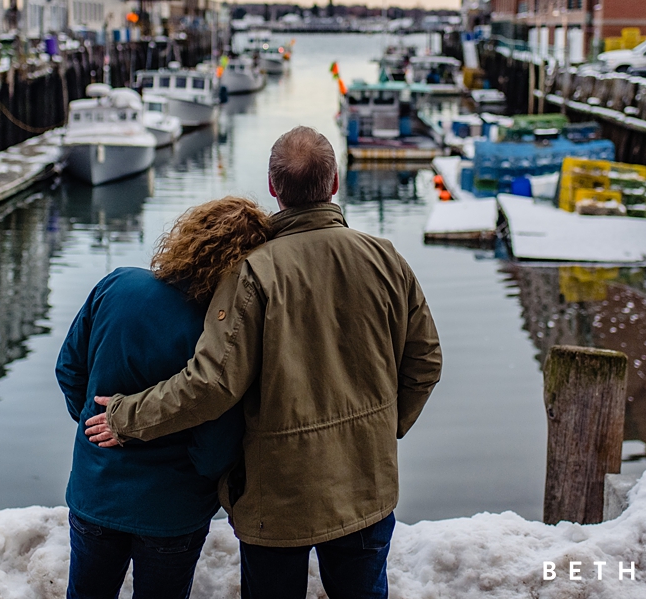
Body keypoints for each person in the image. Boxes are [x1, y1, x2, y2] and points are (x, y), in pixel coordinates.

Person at [85, 126, 442, 599]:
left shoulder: (253, 272)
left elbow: (211, 384)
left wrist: (126, 416)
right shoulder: (385, 259)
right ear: (334, 182)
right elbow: (425, 361)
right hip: (366, 484)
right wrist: (382, 428)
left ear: (274, 188)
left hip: (278, 497)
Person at [56, 196, 271, 599]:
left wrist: (94, 429)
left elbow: (69, 369)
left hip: (96, 489)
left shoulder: (116, 284)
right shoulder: (217, 335)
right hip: (172, 509)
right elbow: (213, 446)